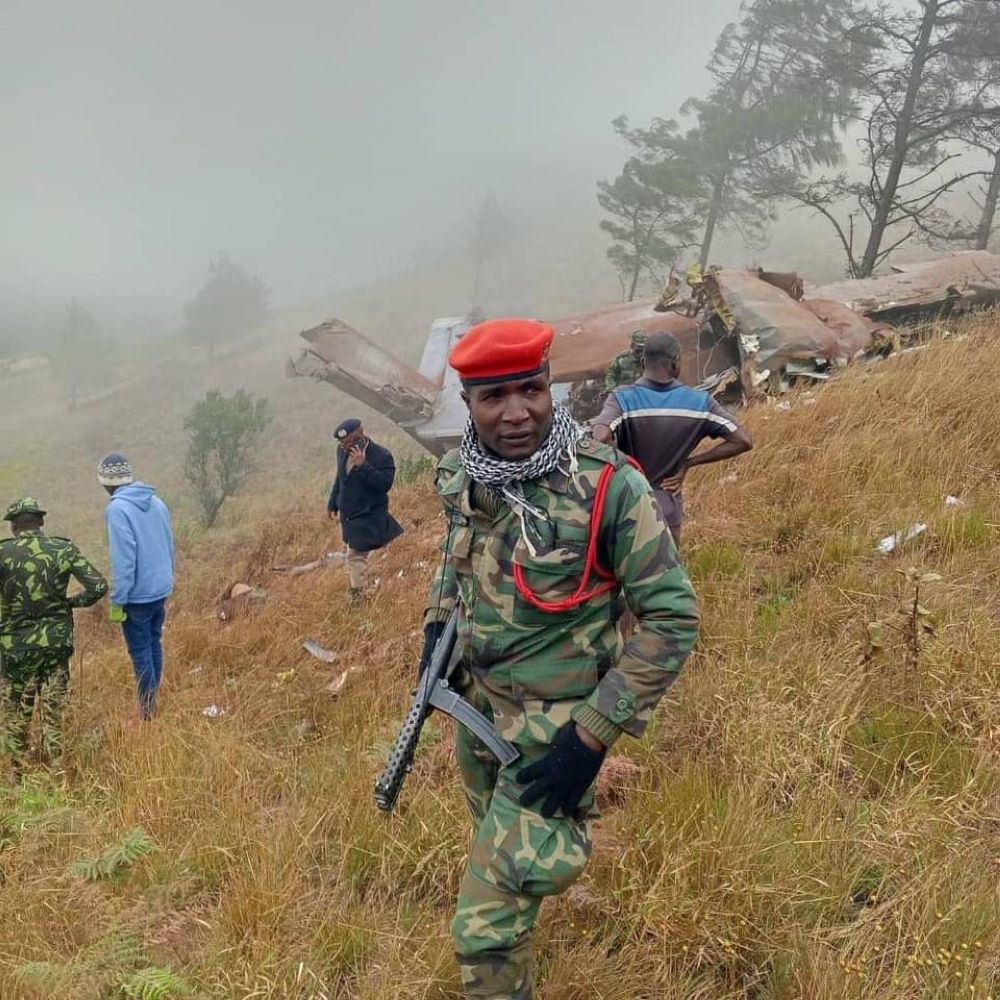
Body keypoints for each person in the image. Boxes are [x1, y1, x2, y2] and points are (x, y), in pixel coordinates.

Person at [419, 318, 699, 999]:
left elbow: (671, 617)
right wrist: (436, 624)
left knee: (481, 932)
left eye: (532, 389)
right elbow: (458, 559)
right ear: (469, 404)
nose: (517, 413)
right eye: (495, 398)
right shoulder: (464, 476)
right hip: (481, 726)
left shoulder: (609, 487)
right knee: (512, 875)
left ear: (551, 388)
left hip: (555, 743)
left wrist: (592, 738)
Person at [593, 331, 752, 547]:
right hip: (667, 508)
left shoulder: (621, 398)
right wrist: (688, 463)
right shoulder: (700, 403)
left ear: (642, 362)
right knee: (668, 575)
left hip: (626, 507)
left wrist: (625, 470)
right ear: (676, 362)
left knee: (626, 576)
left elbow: (600, 436)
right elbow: (743, 440)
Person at [0, 497, 107, 777]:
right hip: (56, 643)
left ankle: (17, 777)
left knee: (16, 713)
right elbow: (98, 586)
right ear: (41, 522)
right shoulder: (63, 548)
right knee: (53, 709)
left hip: (16, 647)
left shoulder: (3, 553)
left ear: (13, 527)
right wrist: (69, 604)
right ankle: (58, 771)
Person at [98, 453, 174, 721]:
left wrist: (118, 600)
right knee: (154, 644)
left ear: (106, 482)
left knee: (140, 652)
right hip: (160, 589)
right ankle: (151, 702)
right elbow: (169, 545)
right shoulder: (157, 502)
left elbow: (124, 560)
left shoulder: (117, 509)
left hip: (137, 597)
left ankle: (147, 713)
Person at [326, 418, 403, 605]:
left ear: (360, 435)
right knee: (355, 553)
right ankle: (363, 587)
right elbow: (340, 479)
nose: (345, 447)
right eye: (342, 444)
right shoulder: (341, 452)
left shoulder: (381, 456)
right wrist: (332, 503)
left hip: (368, 516)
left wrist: (363, 466)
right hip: (349, 517)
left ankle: (358, 597)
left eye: (349, 442)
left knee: (355, 556)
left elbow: (385, 484)